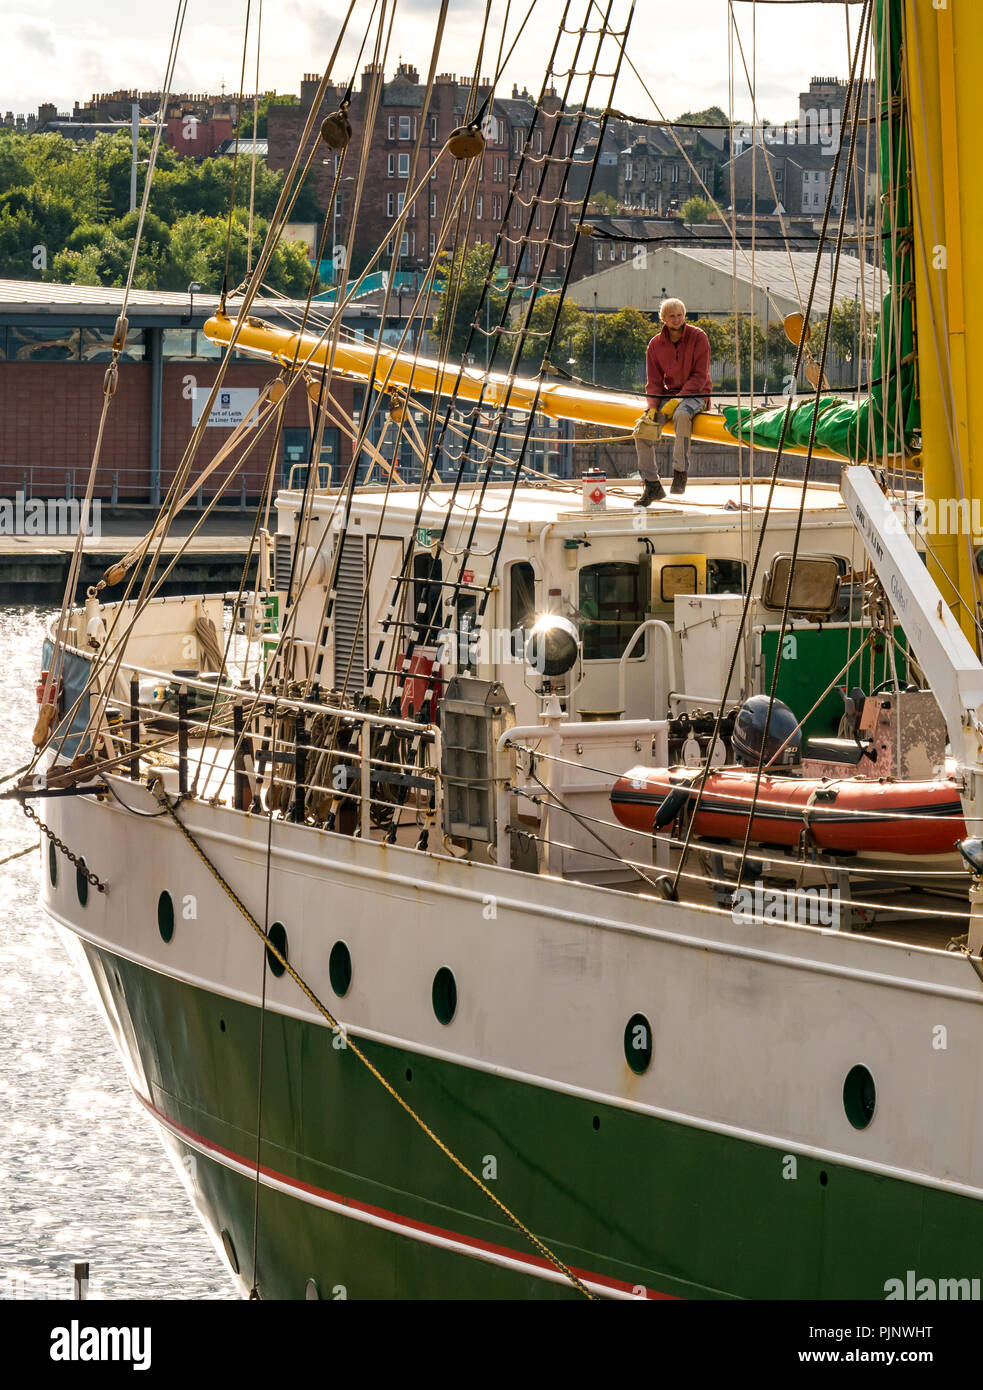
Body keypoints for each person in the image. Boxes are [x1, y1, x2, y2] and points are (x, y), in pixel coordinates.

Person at [634, 298, 712, 505]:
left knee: (683, 415)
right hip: (667, 395)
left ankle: (680, 472)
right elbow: (654, 382)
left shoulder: (698, 337)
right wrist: (652, 408)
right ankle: (652, 485)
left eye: (680, 315)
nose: (677, 319)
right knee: (643, 429)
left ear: (684, 316)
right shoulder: (655, 345)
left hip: (696, 393)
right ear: (663, 319)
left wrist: (678, 400)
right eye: (671, 316)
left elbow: (699, 376)